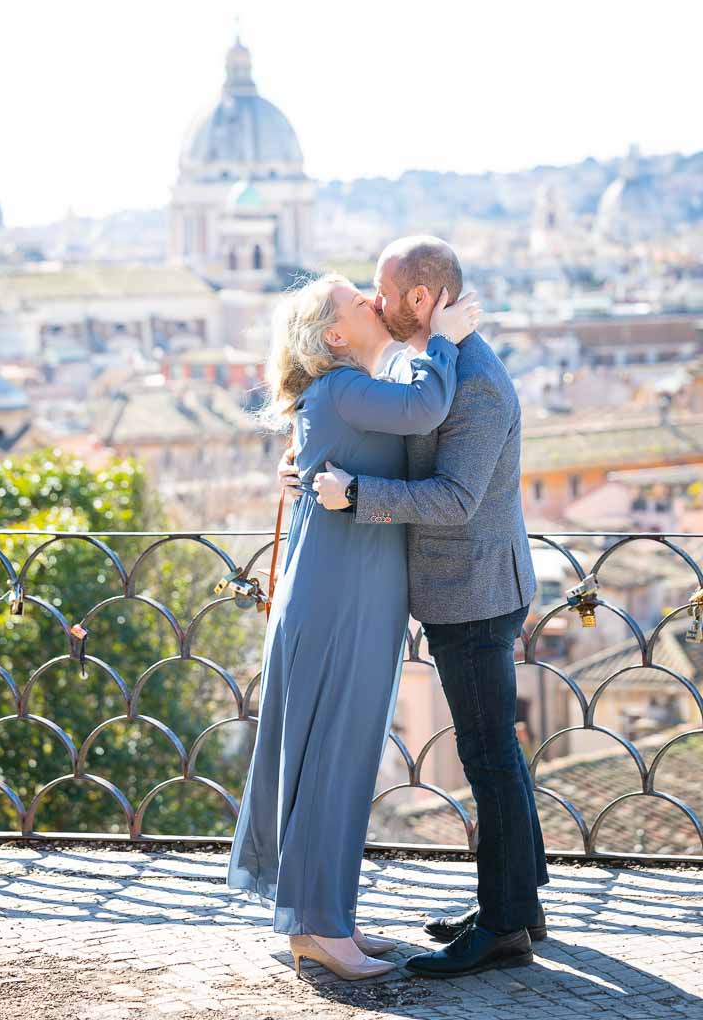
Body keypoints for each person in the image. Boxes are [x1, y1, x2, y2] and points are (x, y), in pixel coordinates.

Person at [298, 236, 549, 979]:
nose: (373, 303)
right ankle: (520, 901)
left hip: (474, 592)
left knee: (489, 757)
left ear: (417, 299)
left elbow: (455, 498)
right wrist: (310, 462)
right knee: (495, 753)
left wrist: (357, 497)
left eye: (382, 291)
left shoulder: (474, 382)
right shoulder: (441, 357)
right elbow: (400, 426)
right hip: (467, 585)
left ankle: (505, 927)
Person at [226, 272, 480, 982]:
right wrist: (445, 340)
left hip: (352, 589)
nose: (373, 300)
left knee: (345, 757)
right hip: (340, 594)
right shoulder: (342, 387)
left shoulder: (346, 389)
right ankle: (314, 927)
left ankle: (327, 915)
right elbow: (427, 408)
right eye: (355, 299)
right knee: (333, 757)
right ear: (334, 335)